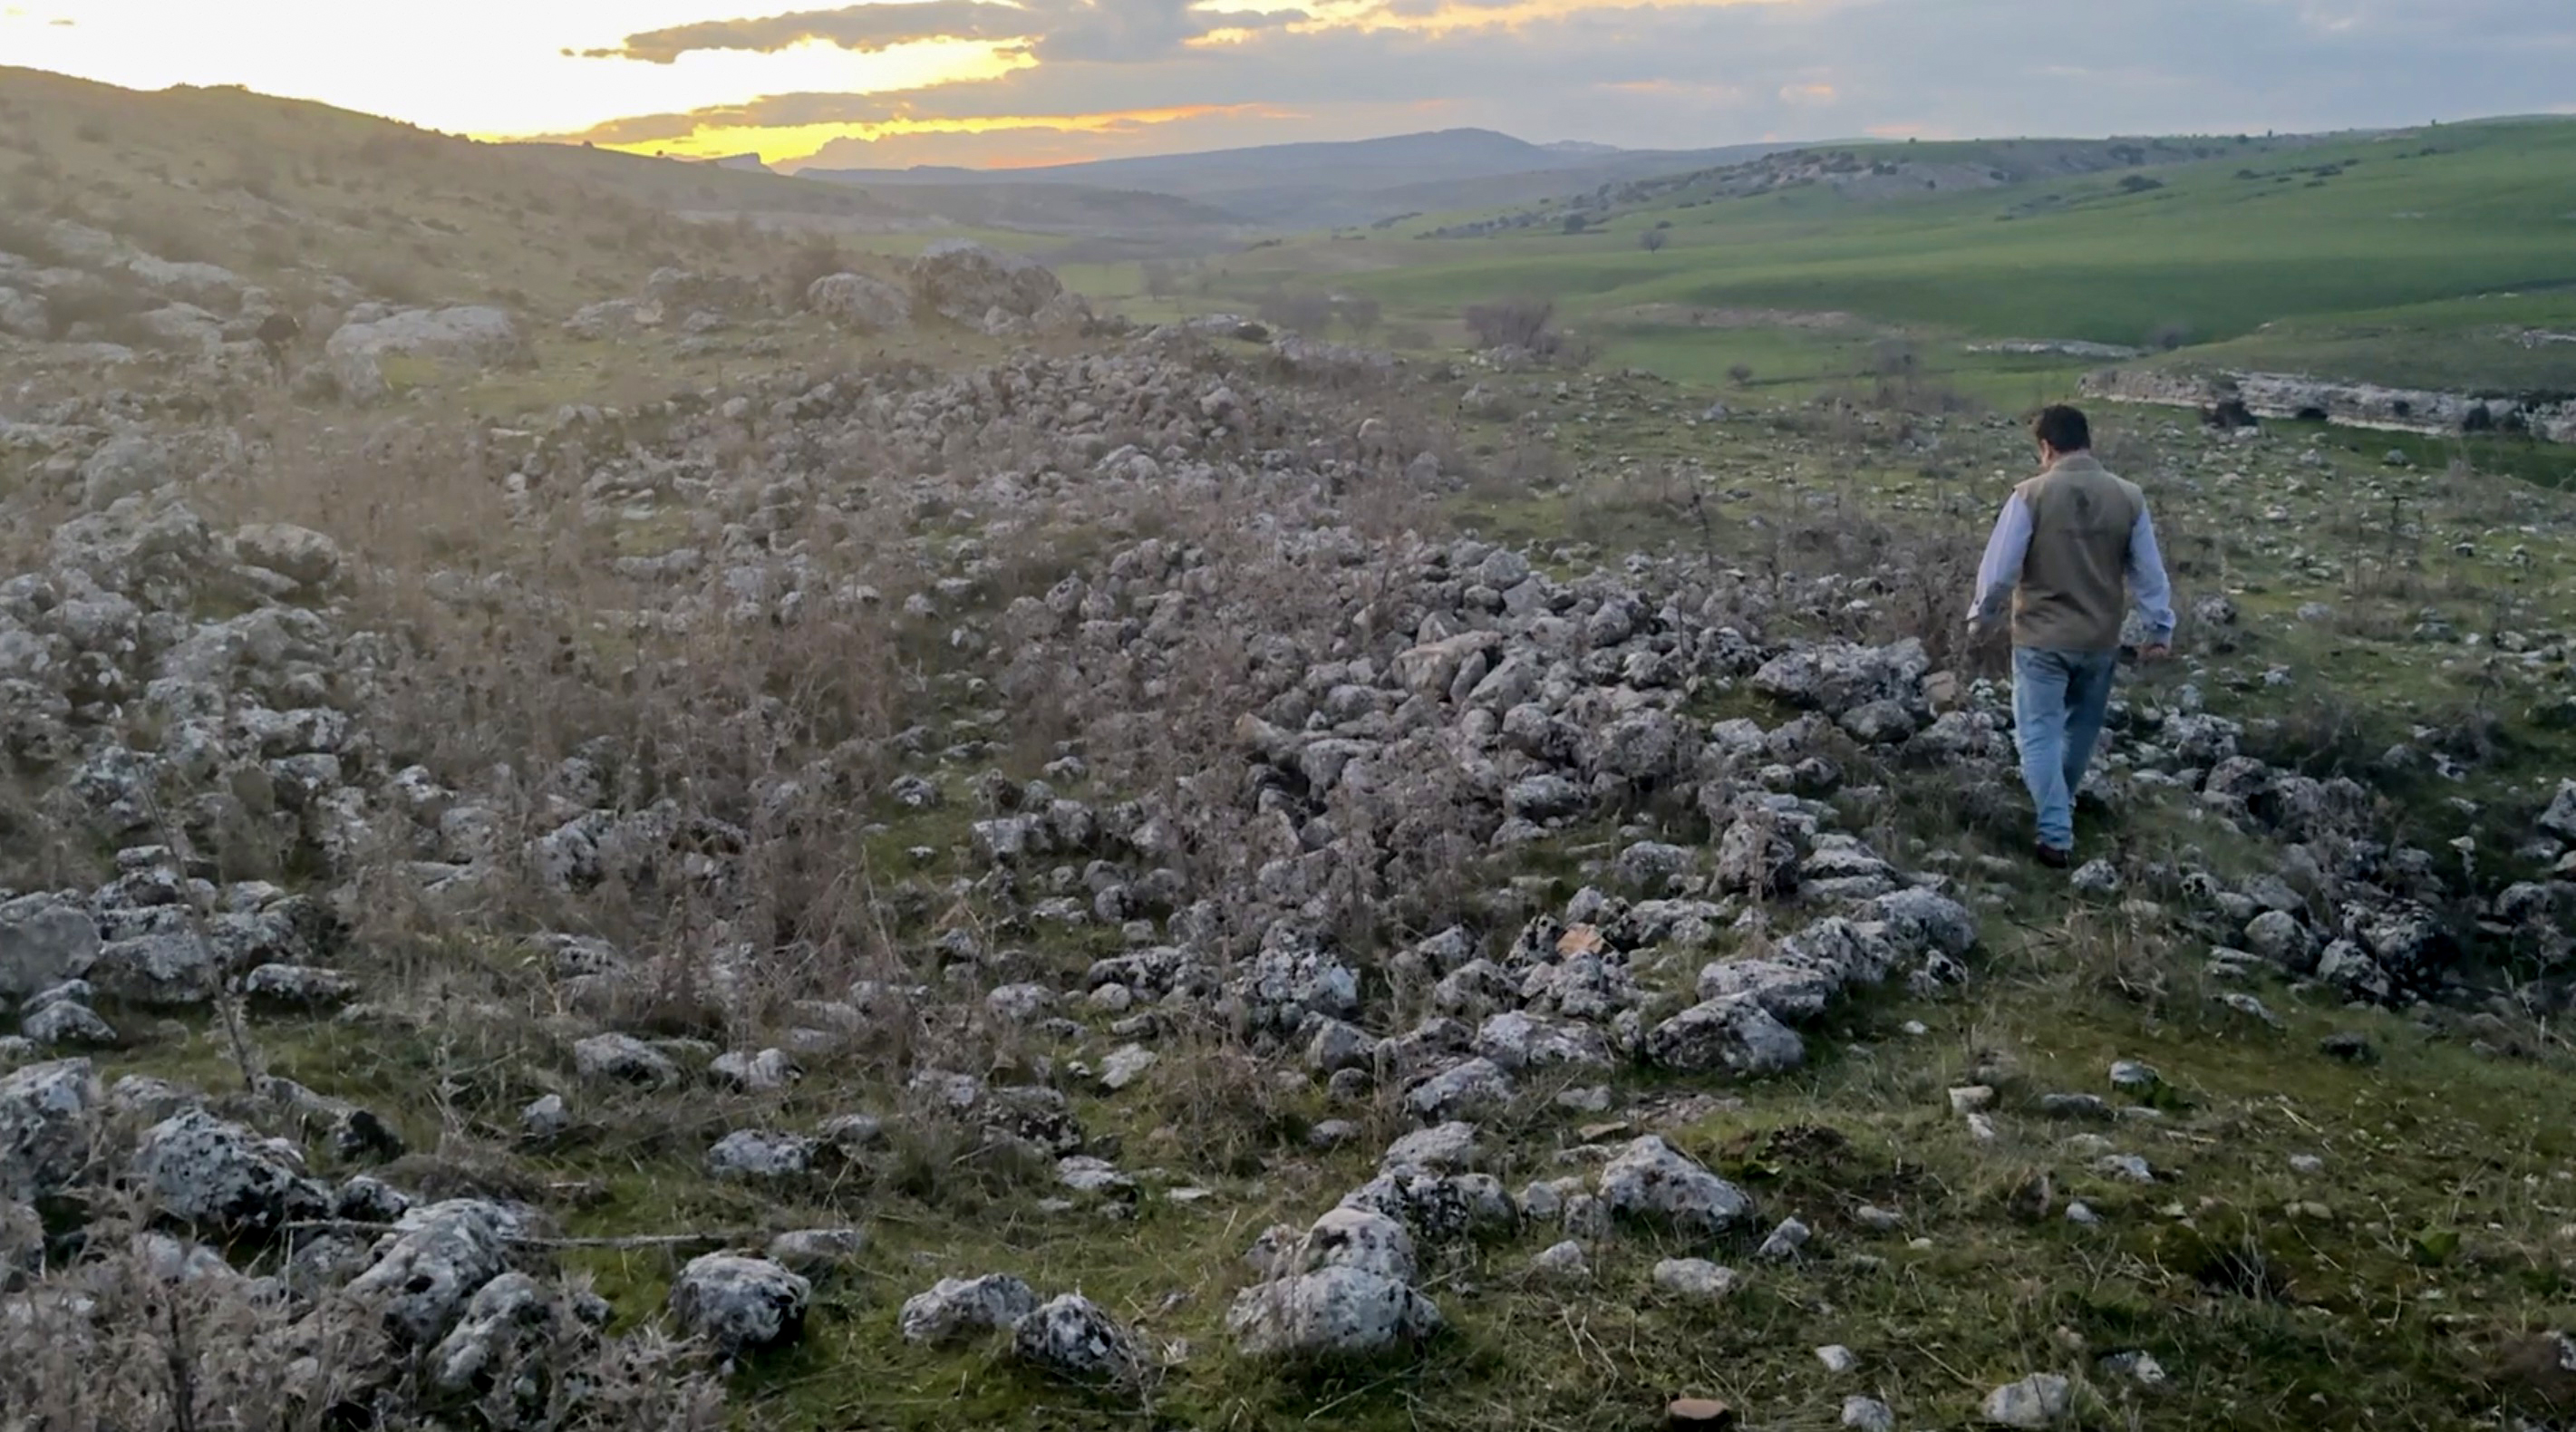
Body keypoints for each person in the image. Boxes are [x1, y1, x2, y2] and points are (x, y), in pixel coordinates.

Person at [1966, 405, 2174, 868]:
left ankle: (2055, 832)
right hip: (2099, 639)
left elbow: (1999, 570)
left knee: (2036, 732)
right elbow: (2148, 573)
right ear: (2087, 441)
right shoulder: (2129, 497)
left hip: (2041, 637)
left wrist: (1983, 617)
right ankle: (2059, 806)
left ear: (2046, 447)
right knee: (2080, 732)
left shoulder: (2030, 495)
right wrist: (2160, 627)